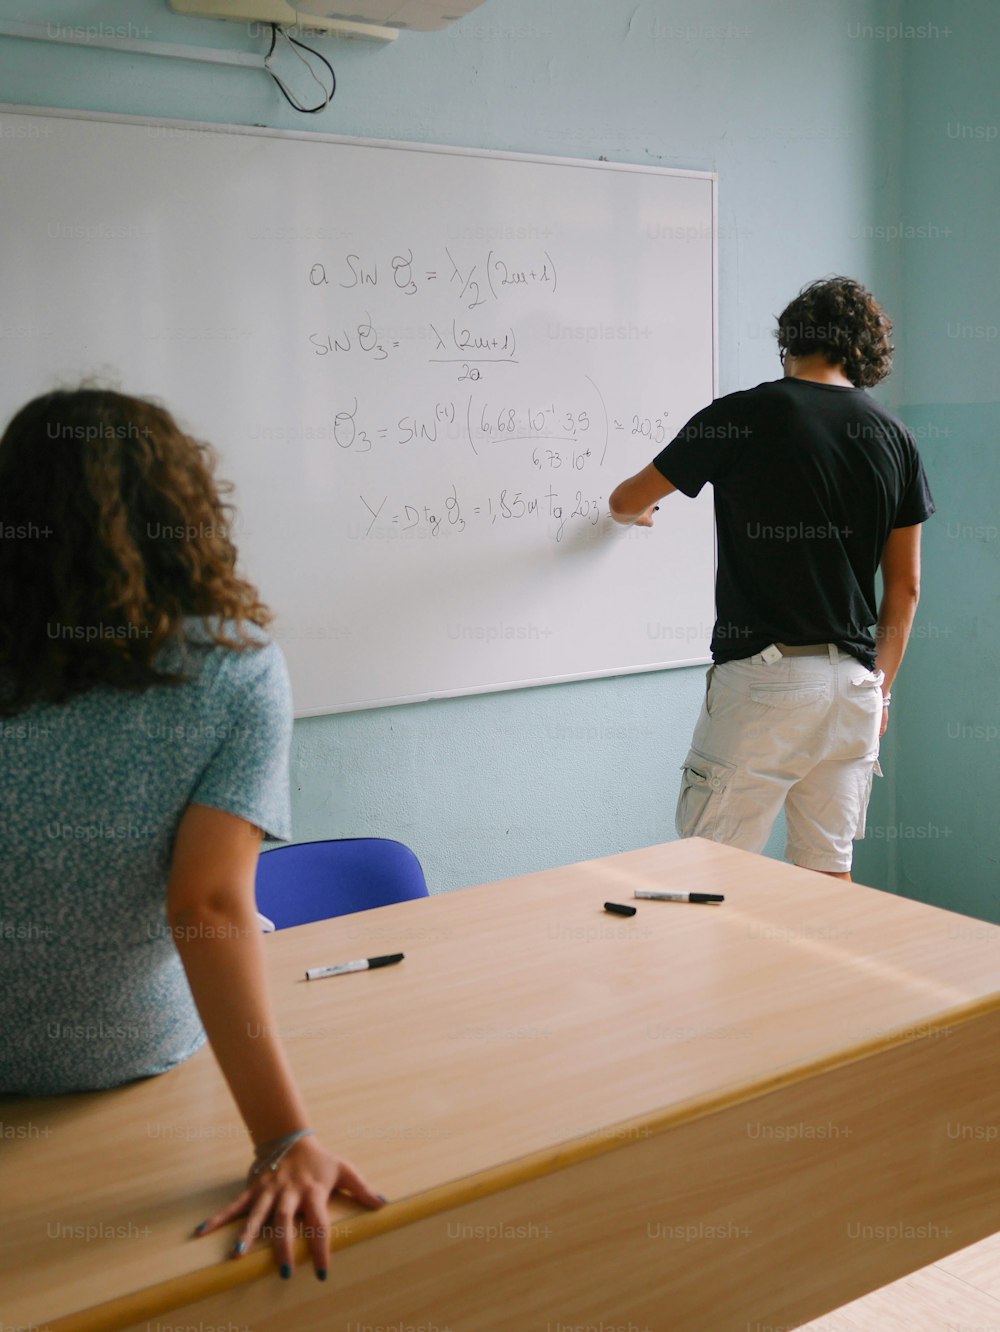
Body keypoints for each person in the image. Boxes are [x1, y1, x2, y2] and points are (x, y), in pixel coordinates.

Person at [0, 387, 383, 1278]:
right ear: (184, 510)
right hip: (136, 1060)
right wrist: (283, 1137)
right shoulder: (233, 669)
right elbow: (208, 904)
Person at [608, 277, 935, 879]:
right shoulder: (896, 438)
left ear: (791, 340)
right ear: (862, 351)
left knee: (711, 873)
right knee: (827, 873)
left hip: (768, 680)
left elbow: (625, 499)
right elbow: (906, 586)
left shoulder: (745, 413)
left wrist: (640, 513)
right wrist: (882, 688)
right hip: (856, 690)